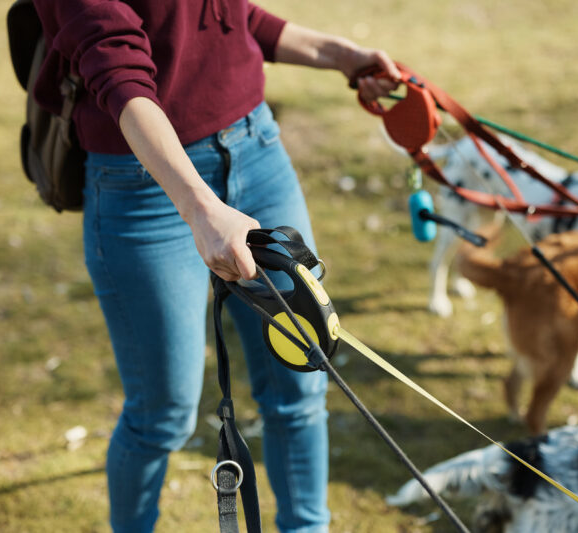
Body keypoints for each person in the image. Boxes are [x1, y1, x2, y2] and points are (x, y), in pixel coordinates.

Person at [32, 1, 399, 531]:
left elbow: (222, 18)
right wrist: (200, 209)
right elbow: (116, 70)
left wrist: (339, 55)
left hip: (257, 149)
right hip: (143, 187)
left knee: (301, 383)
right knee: (161, 417)